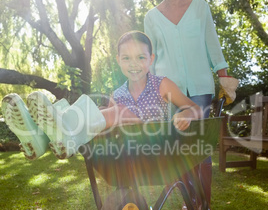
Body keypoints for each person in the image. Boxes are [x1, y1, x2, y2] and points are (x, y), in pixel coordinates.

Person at [1, 31, 203, 161]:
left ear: (151, 59)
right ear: (119, 61)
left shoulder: (162, 84)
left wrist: (186, 115)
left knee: (115, 112)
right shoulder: (118, 93)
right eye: (126, 58)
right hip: (127, 149)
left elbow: (195, 108)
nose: (133, 64)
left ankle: (65, 133)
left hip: (156, 145)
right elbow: (107, 124)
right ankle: (39, 137)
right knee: (94, 111)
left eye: (141, 57)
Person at [144, 0, 238, 210]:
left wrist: (224, 78)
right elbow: (152, 56)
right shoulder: (151, 17)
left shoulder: (200, 8)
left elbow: (212, 44)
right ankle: (192, 200)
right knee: (178, 148)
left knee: (199, 147)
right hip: (170, 90)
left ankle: (203, 206)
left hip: (199, 87)